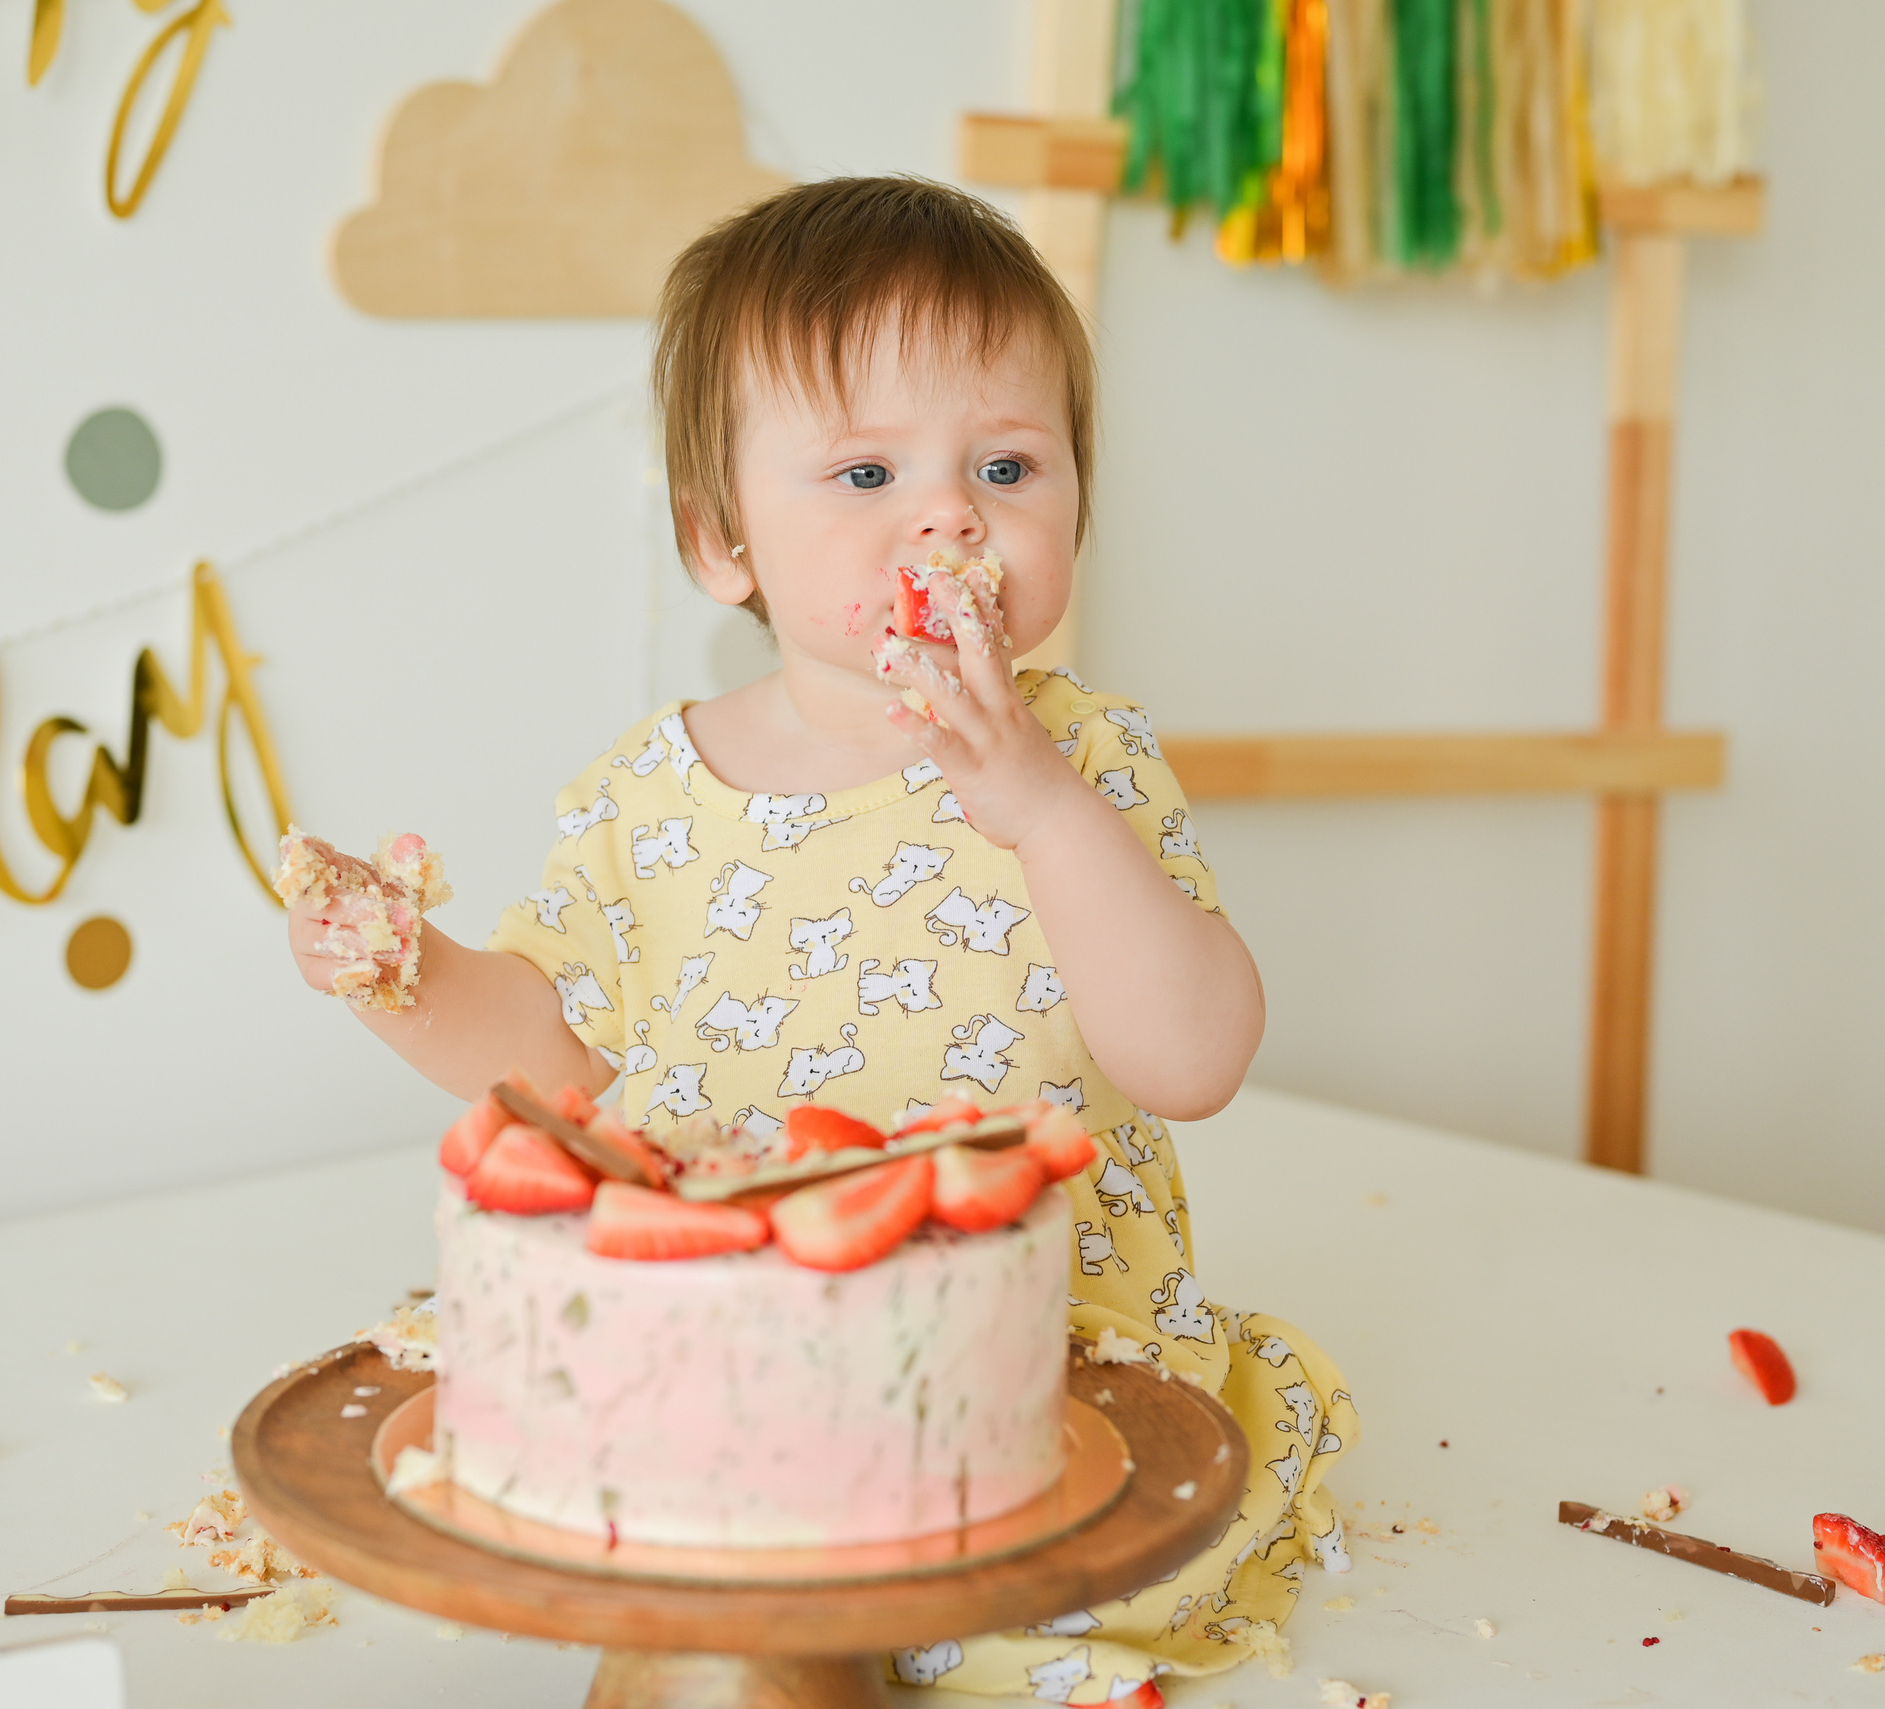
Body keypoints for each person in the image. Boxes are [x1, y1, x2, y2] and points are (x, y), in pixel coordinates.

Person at [287, 174, 1354, 1701]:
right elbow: (547, 1060)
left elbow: (1193, 1059)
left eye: (1007, 464)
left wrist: (1042, 812)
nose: (949, 513)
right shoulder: (650, 794)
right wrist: (405, 970)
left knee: (973, 1592)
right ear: (723, 540)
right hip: (737, 1336)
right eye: (865, 475)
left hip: (1025, 1355)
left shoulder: (1088, 759)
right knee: (655, 1548)